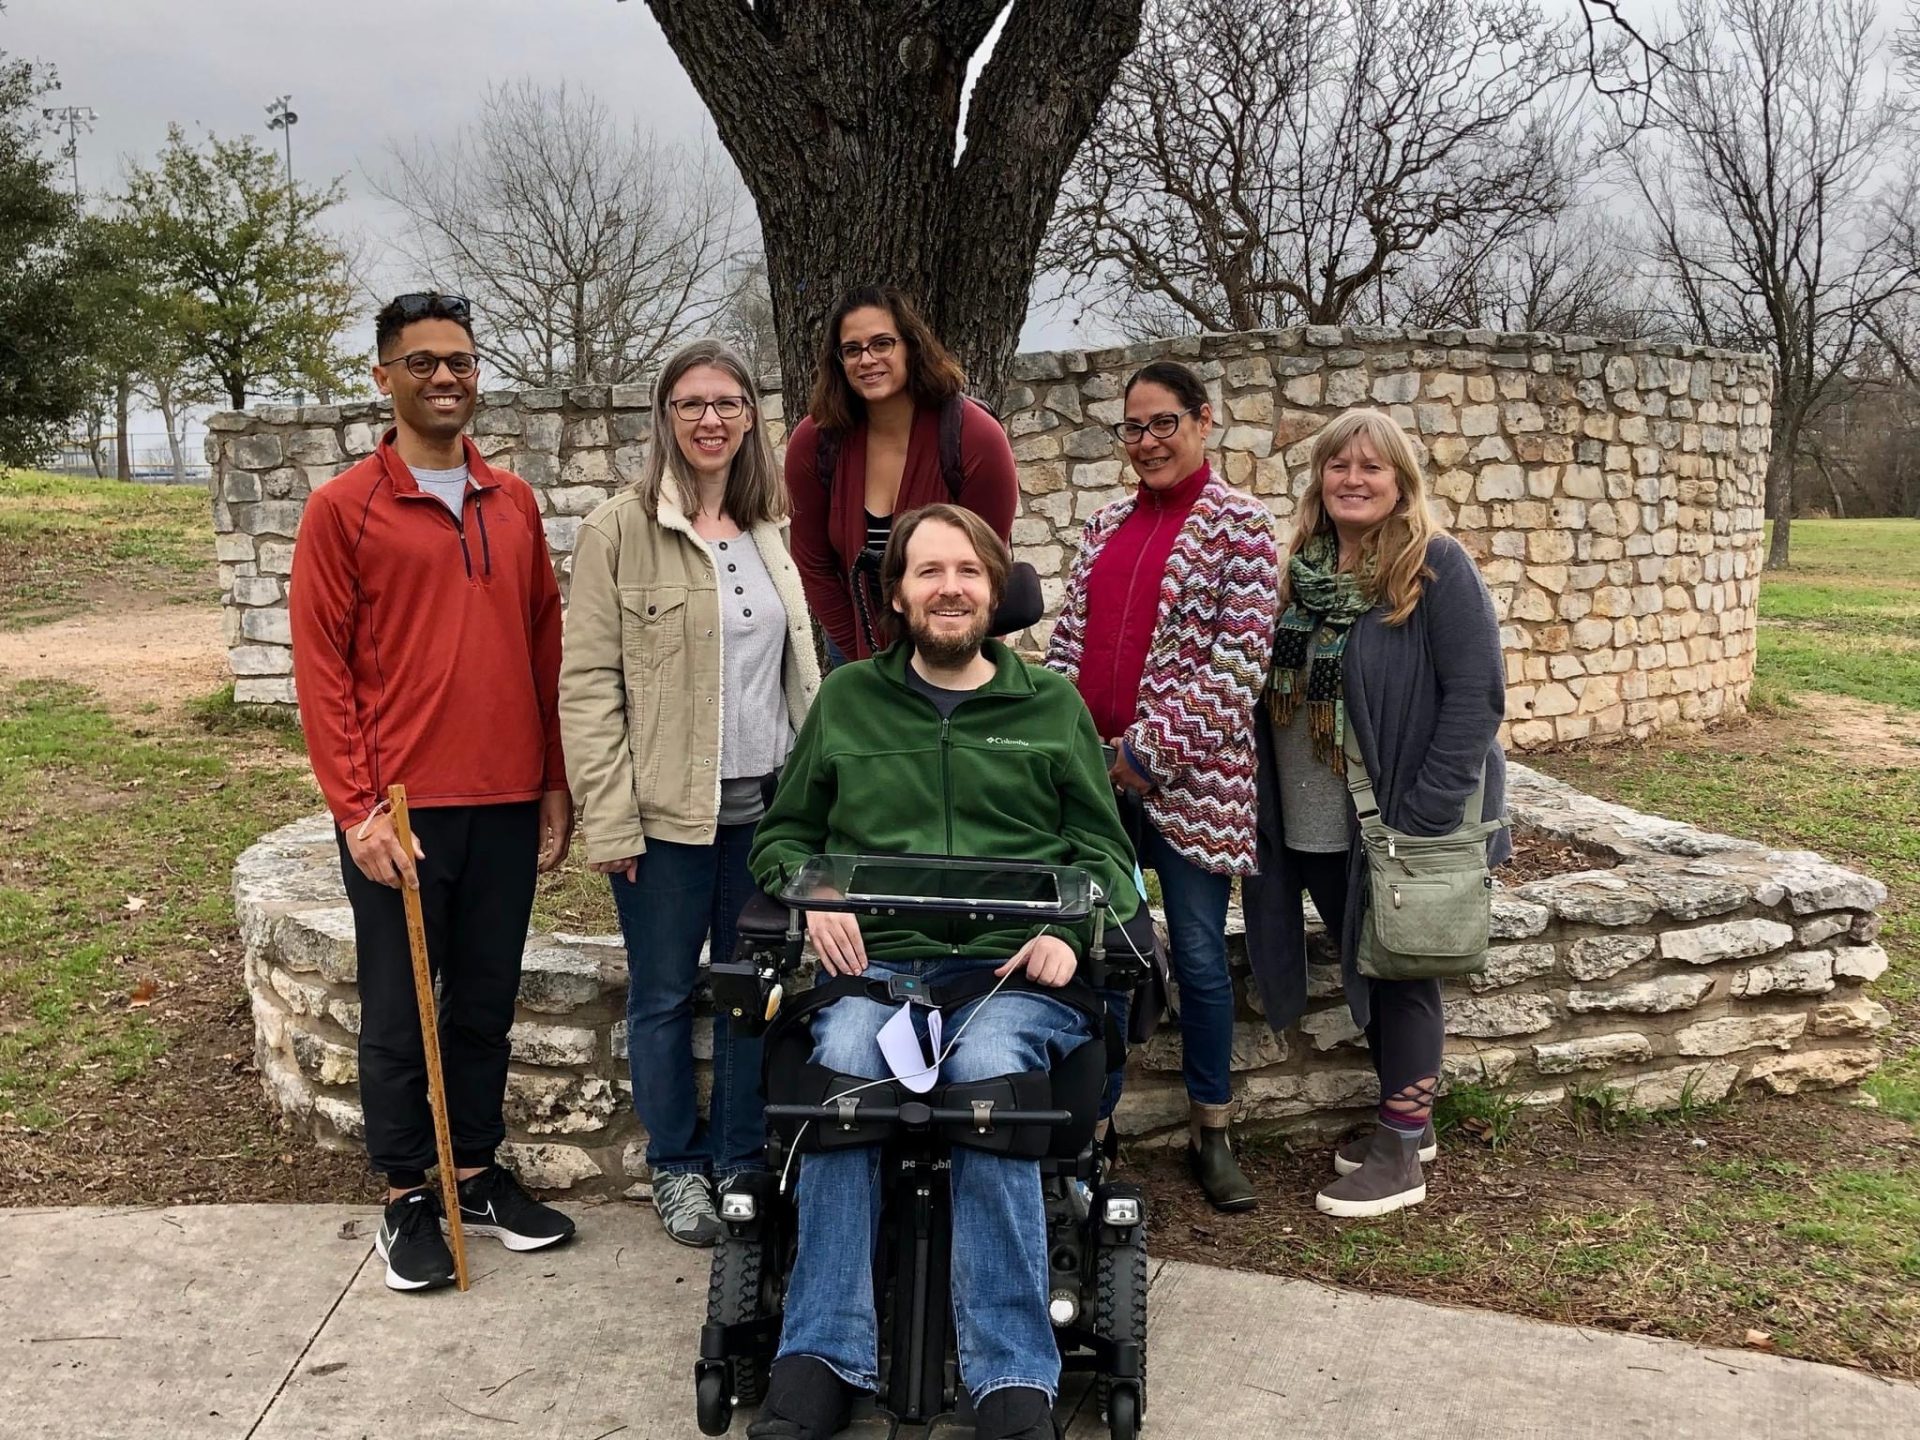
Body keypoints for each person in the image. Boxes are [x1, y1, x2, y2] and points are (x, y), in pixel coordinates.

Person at [743, 504, 1140, 1440]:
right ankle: (822, 1354)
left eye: (967, 571)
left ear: (994, 590)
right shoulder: (849, 703)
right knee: (844, 1070)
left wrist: (1073, 931)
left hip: (1009, 973)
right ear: (897, 595)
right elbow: (786, 836)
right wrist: (820, 893)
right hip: (878, 970)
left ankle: (1011, 1375)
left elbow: (1106, 854)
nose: (950, 588)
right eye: (929, 572)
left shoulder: (1050, 707)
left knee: (987, 1077)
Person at [289, 291, 577, 1292]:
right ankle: (409, 1194)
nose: (444, 377)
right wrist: (355, 809)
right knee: (401, 1007)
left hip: (504, 798)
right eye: (421, 363)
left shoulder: (515, 502)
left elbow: (543, 642)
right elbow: (321, 669)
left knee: (485, 1001)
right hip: (398, 811)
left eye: (458, 360)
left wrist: (552, 780)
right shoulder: (343, 509)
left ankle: (477, 1172)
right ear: (384, 377)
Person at [559, 338, 820, 1247]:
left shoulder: (767, 530)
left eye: (728, 403)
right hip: (665, 823)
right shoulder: (617, 530)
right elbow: (589, 685)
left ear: (751, 418)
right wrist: (610, 817)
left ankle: (741, 1163)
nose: (711, 420)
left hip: (766, 816)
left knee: (751, 988)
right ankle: (677, 1167)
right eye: (691, 404)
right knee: (666, 994)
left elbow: (795, 677)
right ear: (665, 420)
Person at [1244, 407, 1509, 1219]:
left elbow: (1477, 695)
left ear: (1401, 484)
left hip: (1399, 819)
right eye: (1338, 466)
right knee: (1369, 963)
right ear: (1319, 480)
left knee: (1405, 974)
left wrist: (1425, 813)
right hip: (1315, 816)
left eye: (1372, 468)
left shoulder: (1434, 566)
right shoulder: (1304, 568)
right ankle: (1408, 1116)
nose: (1353, 480)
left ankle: (1400, 1151)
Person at [1045, 359, 1278, 1213]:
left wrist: (1147, 755)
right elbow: (1069, 643)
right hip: (1091, 781)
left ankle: (1211, 1129)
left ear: (1204, 421)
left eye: (1162, 424)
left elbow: (1237, 664)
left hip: (1192, 784)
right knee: (1092, 951)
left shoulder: (1241, 526)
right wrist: (1064, 745)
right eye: (1132, 428)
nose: (1146, 442)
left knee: (1199, 959)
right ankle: (1089, 1123)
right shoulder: (1104, 525)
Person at [784, 284, 1018, 665]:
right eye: (852, 350)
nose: (867, 360)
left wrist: (938, 653)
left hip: (953, 638)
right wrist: (867, 659)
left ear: (910, 345)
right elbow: (813, 564)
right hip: (853, 644)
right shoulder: (814, 443)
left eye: (882, 344)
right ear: (838, 362)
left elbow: (988, 563)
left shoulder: (973, 437)